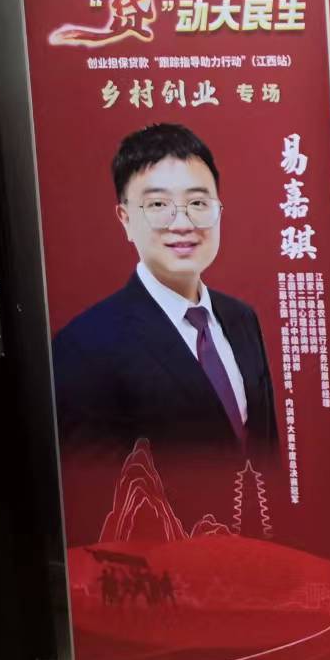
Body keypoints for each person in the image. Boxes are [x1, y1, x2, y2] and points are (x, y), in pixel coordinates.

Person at [53, 123, 275, 460]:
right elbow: (98, 481)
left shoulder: (242, 318)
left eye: (198, 202)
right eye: (158, 205)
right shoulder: (83, 347)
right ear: (125, 219)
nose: (183, 224)